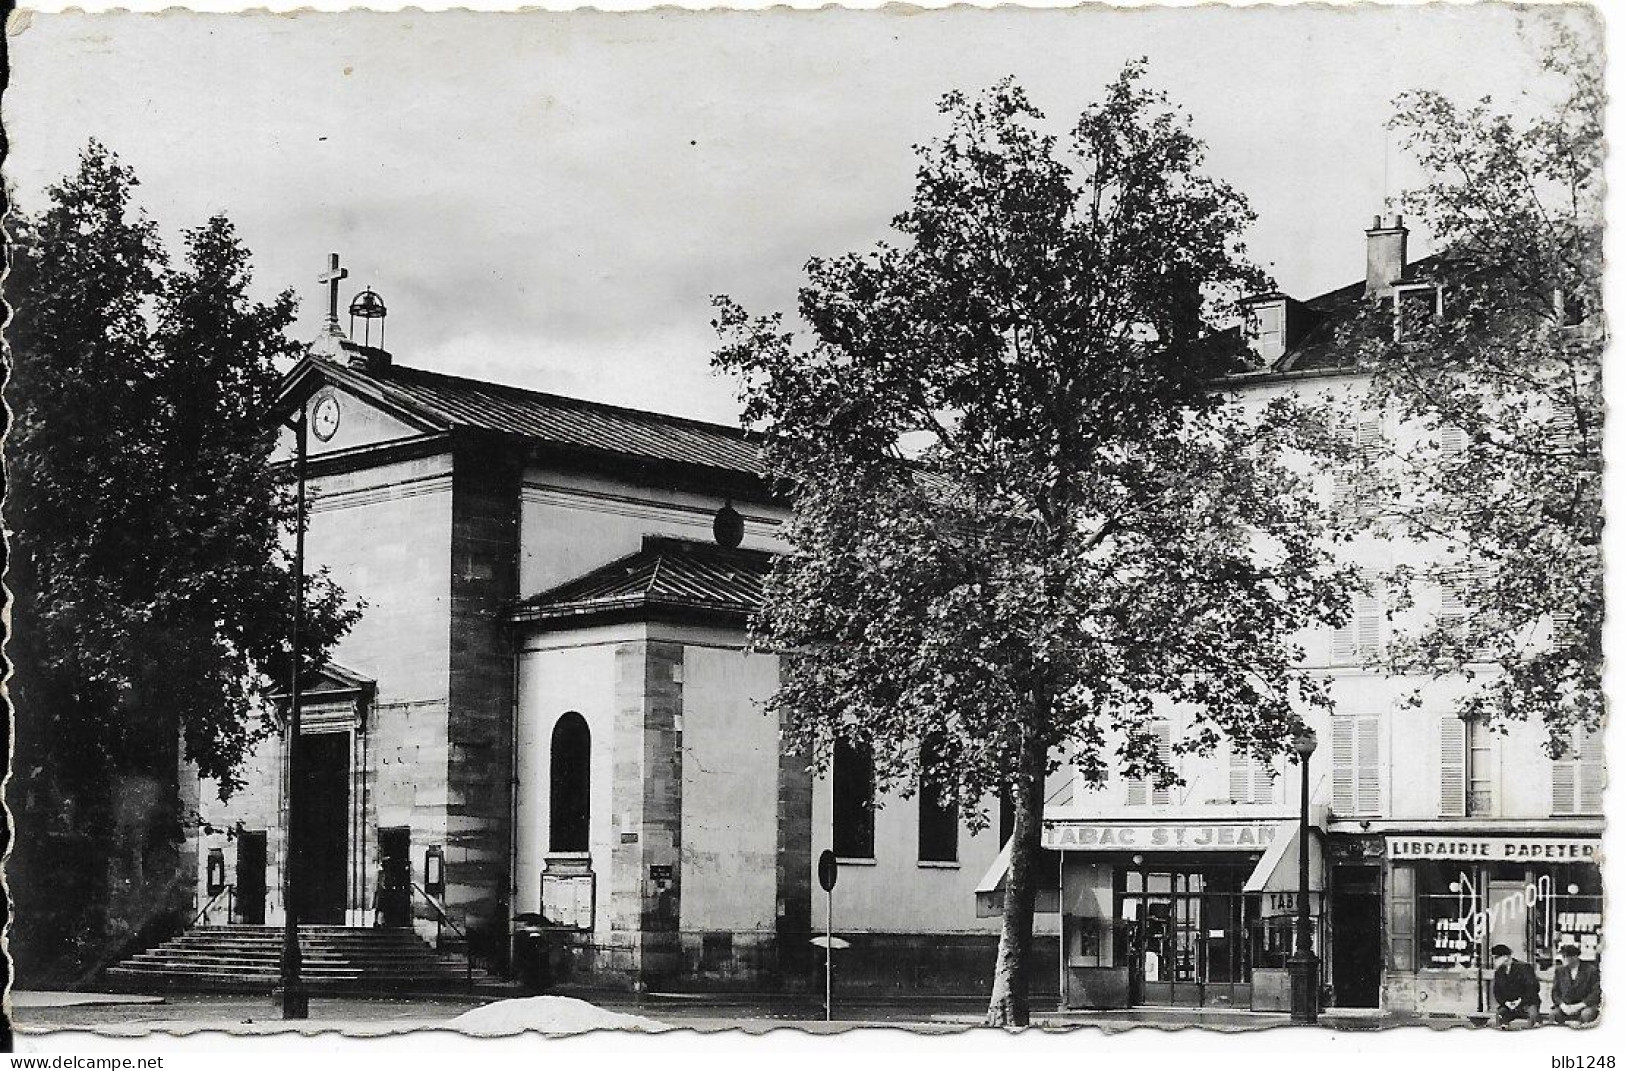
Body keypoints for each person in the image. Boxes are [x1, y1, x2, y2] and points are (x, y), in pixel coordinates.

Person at [1550, 943, 1602, 1026]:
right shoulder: (1560, 971)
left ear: (1574, 957)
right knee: (1554, 1014)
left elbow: (1596, 992)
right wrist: (1562, 1005)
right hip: (1566, 1006)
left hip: (1585, 1006)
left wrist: (1580, 1005)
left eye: (1565, 957)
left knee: (1587, 1014)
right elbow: (1555, 993)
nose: (1563, 960)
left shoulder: (1591, 971)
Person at [1491, 944, 1541, 1029]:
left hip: (1527, 1003)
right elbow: (1497, 993)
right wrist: (1507, 1003)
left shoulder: (1524, 968)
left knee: (1533, 1015)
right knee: (1500, 1014)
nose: (1494, 961)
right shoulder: (1499, 972)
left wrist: (1520, 1001)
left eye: (1496, 958)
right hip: (1509, 1005)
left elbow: (1533, 988)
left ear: (1505, 957)